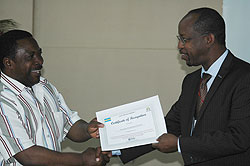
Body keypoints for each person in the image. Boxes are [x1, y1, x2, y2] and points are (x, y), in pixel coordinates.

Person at [119, 7, 250, 166]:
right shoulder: (192, 81)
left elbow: (239, 137)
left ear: (208, 39)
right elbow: (170, 125)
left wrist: (180, 144)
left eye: (185, 39)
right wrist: (114, 147)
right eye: (179, 39)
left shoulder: (244, 77)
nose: (179, 45)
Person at [0, 30, 111, 166]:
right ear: (9, 63)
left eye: (40, 54)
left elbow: (70, 125)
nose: (40, 61)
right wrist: (82, 160)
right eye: (31, 57)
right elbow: (28, 156)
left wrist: (88, 129)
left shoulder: (45, 87)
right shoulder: (3, 99)